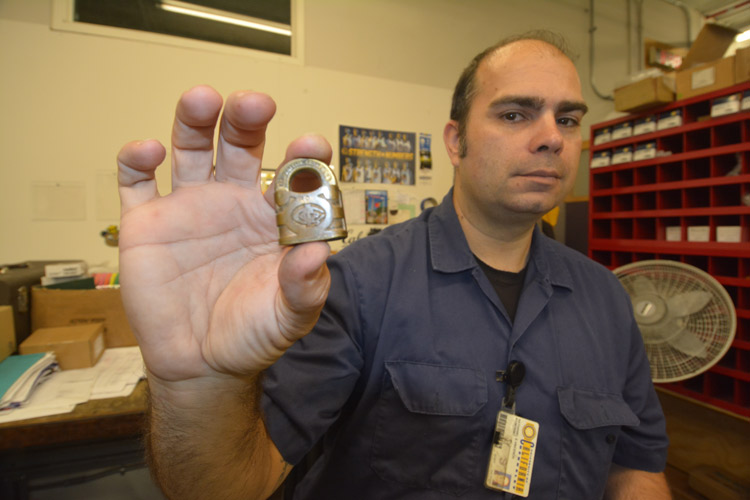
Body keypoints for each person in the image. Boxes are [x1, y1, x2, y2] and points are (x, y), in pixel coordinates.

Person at [116, 30, 671, 499]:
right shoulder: (355, 285)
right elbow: (229, 485)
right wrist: (200, 386)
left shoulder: (606, 299)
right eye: (514, 113)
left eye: (568, 120)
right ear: (455, 142)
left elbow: (637, 466)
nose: (551, 138)